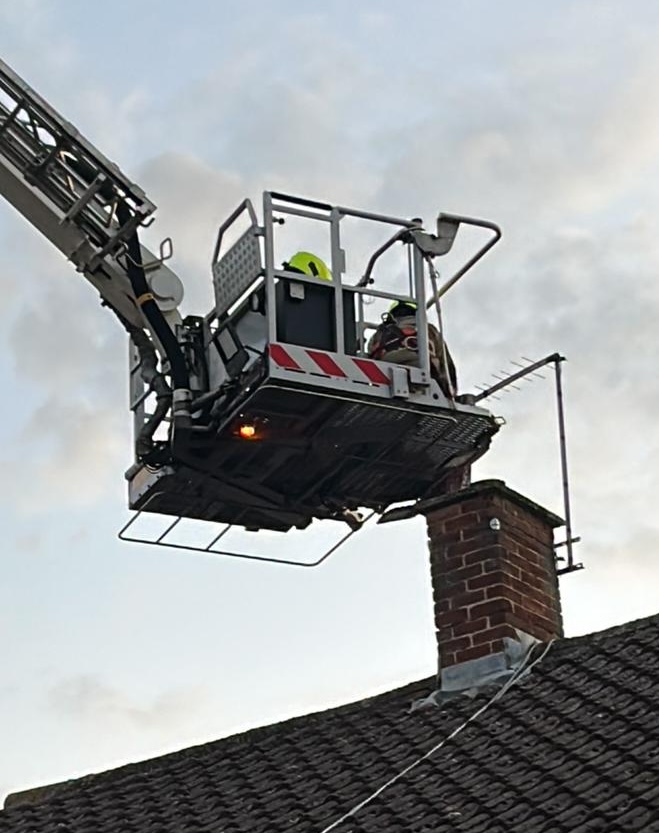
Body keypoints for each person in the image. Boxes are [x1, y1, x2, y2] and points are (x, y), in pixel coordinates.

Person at [367, 300, 457, 399]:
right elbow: (447, 365)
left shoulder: (379, 334)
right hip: (422, 372)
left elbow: (370, 356)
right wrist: (450, 394)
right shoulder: (428, 329)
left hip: (385, 375)